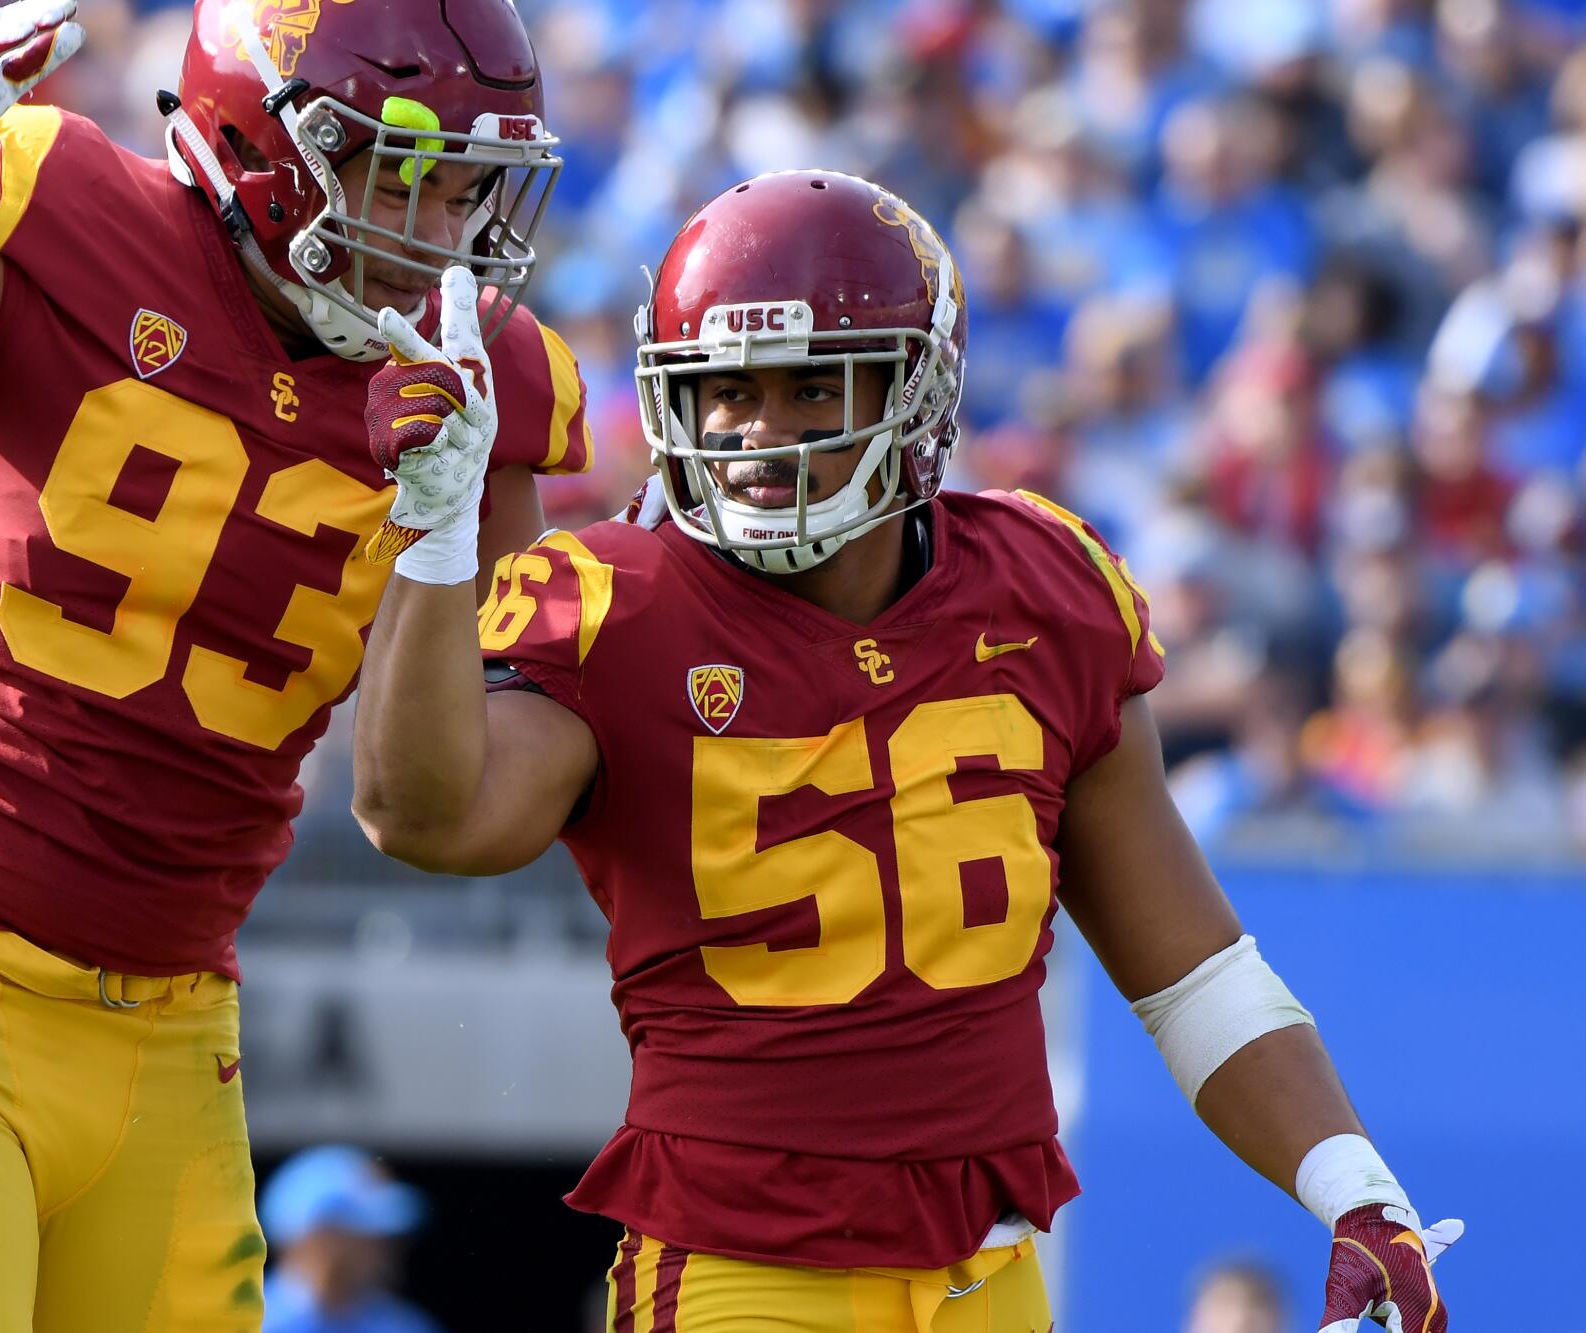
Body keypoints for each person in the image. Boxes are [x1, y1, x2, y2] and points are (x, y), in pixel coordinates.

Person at [349, 171, 1460, 1332]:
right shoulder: (616, 604)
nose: (754, 433)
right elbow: (429, 816)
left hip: (988, 1273)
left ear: (913, 390)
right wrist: (432, 534)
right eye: (724, 390)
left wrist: (1355, 1192)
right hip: (742, 1268)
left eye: (805, 389)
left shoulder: (1043, 588)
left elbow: (1190, 975)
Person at [0, 0, 588, 1325]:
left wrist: (437, 533)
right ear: (264, 141)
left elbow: (426, 808)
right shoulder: (62, 214)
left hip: (162, 1025)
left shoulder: (478, 384)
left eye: (469, 189)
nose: (440, 236)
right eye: (403, 174)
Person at [258, 1146, 439, 1333]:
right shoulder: (245, 1322)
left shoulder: (405, 1325)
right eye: (364, 1231)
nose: (386, 1245)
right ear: (319, 1237)